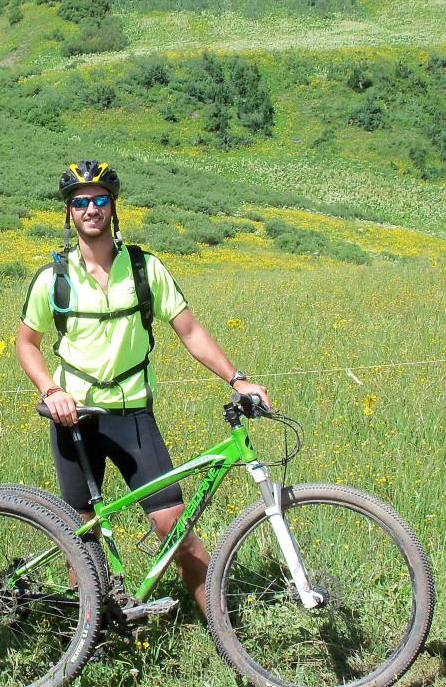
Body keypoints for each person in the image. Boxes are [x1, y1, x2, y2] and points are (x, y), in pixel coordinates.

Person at [16, 161, 270, 614]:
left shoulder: (144, 267)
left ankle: (221, 626)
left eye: (99, 199)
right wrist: (51, 391)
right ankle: (89, 632)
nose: (91, 208)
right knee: (83, 533)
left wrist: (237, 377)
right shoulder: (53, 277)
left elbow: (190, 330)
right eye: (80, 201)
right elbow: (27, 343)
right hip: (74, 416)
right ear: (69, 213)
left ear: (113, 207)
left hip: (133, 414)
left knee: (173, 526)